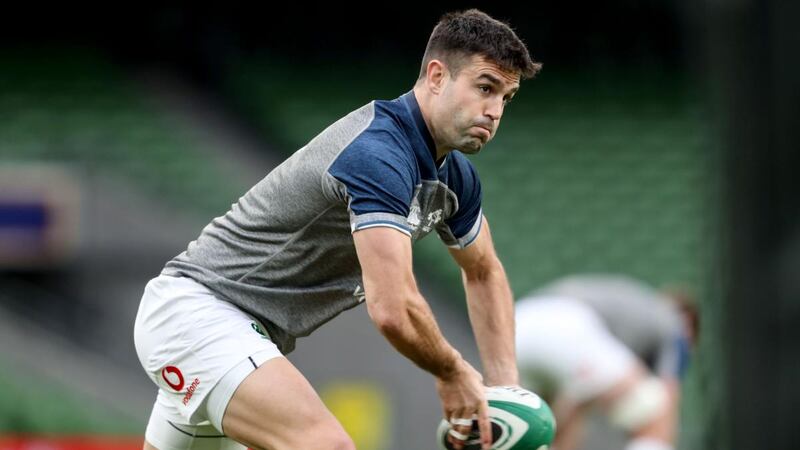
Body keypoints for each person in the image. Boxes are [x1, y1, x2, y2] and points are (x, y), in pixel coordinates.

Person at [133, 9, 541, 450]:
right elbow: (392, 308)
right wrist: (453, 371)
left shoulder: (455, 177)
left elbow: (484, 272)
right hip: (199, 316)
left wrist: (504, 396)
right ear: (437, 76)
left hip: (239, 334)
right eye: (485, 88)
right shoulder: (378, 154)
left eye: (506, 97)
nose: (495, 111)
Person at [515, 274, 699, 450]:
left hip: (517, 324)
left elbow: (579, 397)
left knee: (551, 426)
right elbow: (669, 393)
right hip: (566, 323)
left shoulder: (634, 307)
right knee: (655, 413)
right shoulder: (674, 324)